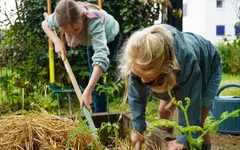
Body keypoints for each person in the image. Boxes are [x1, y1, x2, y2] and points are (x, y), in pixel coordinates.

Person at [118, 24, 222, 150]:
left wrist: (184, 139)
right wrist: (137, 129)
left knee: (199, 123)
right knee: (163, 112)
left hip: (208, 66)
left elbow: (191, 101)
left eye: (148, 77)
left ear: (164, 68)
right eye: (140, 75)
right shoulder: (138, 58)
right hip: (174, 71)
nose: (143, 80)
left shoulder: (187, 62)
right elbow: (136, 96)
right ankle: (166, 143)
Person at [42, 0, 121, 113]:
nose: (74, 35)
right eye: (68, 32)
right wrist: (57, 41)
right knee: (92, 73)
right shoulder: (62, 17)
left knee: (96, 76)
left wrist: (87, 91)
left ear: (82, 16)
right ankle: (95, 106)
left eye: (76, 30)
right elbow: (45, 24)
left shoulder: (94, 21)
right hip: (89, 39)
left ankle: (100, 114)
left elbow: (101, 58)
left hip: (109, 37)